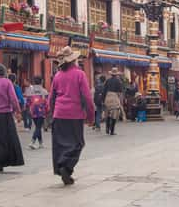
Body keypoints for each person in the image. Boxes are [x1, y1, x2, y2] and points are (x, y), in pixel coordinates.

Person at [48, 47, 94, 185]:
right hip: (74, 114)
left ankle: (62, 167)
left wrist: (50, 112)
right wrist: (90, 115)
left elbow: (51, 97)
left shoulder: (57, 76)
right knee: (78, 143)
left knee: (60, 144)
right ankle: (66, 167)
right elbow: (86, 96)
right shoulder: (80, 74)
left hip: (59, 114)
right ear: (74, 60)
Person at [26, 76, 49, 149]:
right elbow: (47, 102)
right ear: (41, 82)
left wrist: (28, 108)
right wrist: (47, 110)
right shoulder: (44, 91)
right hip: (41, 111)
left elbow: (28, 102)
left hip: (33, 111)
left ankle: (41, 143)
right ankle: (32, 142)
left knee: (37, 127)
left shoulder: (30, 91)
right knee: (38, 127)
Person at [103, 67, 123, 135]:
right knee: (114, 114)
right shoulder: (118, 81)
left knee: (108, 113)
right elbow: (120, 92)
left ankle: (107, 128)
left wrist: (103, 100)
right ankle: (112, 131)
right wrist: (120, 101)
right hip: (114, 97)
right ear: (117, 74)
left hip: (107, 97)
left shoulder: (108, 80)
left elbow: (104, 91)